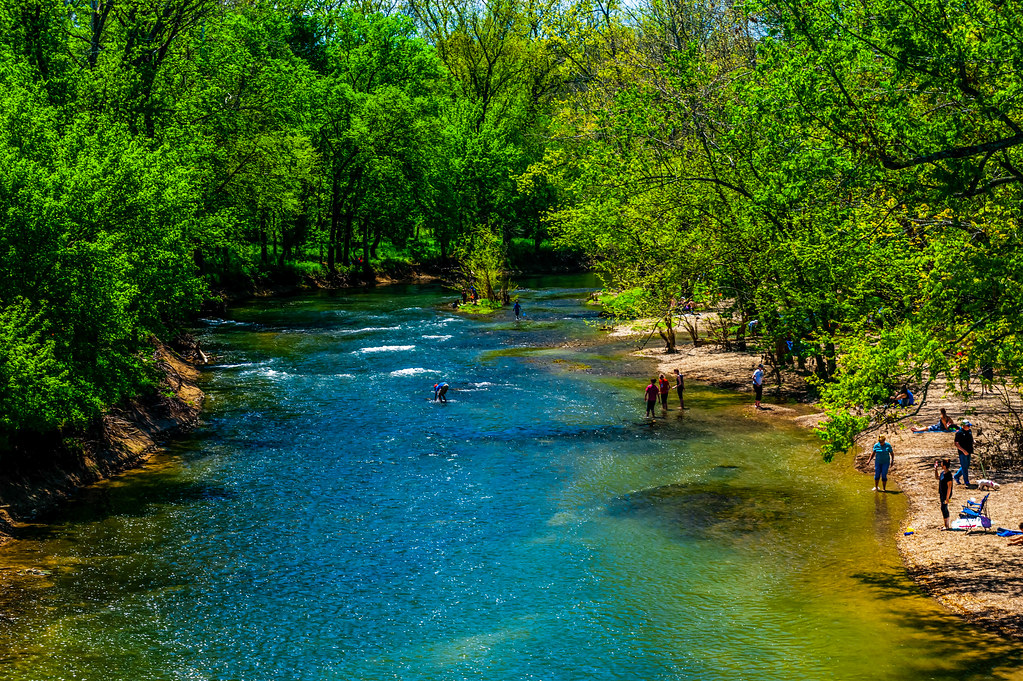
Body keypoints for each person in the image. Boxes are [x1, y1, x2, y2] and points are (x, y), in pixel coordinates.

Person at [953, 419, 974, 486]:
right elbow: (956, 444)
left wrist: (974, 442)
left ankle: (956, 476)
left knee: (966, 466)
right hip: (963, 453)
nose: (969, 427)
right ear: (963, 426)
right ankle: (966, 481)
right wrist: (963, 451)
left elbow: (971, 439)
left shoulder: (969, 431)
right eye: (968, 426)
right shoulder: (959, 433)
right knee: (964, 467)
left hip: (969, 451)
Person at [935, 458, 954, 530]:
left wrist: (947, 497)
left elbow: (949, 486)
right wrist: (935, 469)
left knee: (944, 508)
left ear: (945, 465)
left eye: (942, 463)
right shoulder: (943, 473)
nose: (941, 464)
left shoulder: (948, 475)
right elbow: (937, 477)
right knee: (943, 508)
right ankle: (945, 524)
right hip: (942, 493)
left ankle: (947, 526)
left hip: (946, 494)